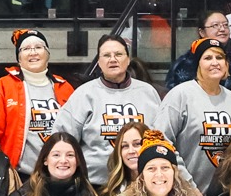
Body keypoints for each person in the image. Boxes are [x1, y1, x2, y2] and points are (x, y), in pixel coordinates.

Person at [52, 34, 165, 186]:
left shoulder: (148, 92)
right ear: (99, 61)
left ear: (128, 58)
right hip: (95, 186)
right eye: (106, 55)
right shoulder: (84, 94)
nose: (113, 59)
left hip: (141, 184)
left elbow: (161, 139)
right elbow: (61, 140)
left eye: (118, 54)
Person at [0, 29, 74, 177]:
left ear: (47, 54)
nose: (33, 53)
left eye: (38, 47)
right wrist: (0, 169)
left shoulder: (65, 87)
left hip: (60, 175)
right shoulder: (4, 86)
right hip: (20, 176)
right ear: (19, 58)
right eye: (26, 49)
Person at [156, 39, 231, 195]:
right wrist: (187, 184)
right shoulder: (180, 95)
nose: (215, 63)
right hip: (183, 193)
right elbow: (160, 140)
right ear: (198, 65)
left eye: (220, 57)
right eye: (208, 58)